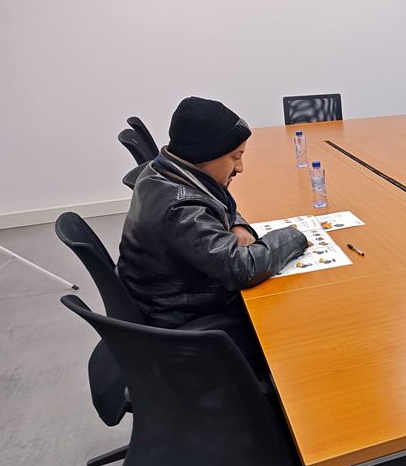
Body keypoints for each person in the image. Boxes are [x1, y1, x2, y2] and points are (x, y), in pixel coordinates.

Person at [118, 96, 308, 338]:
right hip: (184, 319)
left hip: (174, 295)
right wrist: (295, 235)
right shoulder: (182, 208)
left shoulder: (168, 171)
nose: (240, 168)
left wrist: (237, 224)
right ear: (206, 155)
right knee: (298, 313)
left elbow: (217, 198)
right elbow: (242, 268)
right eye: (235, 157)